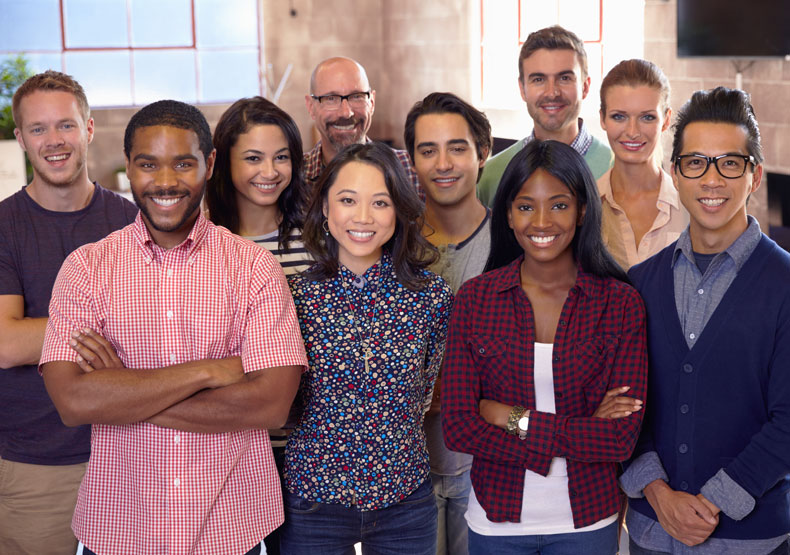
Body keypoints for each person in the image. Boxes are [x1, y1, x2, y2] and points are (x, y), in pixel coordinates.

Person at [40, 99, 307, 555]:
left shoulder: (254, 268)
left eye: (183, 164)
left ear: (209, 164)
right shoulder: (85, 269)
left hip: (231, 528)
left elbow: (270, 405)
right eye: (148, 164)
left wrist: (119, 393)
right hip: (118, 529)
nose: (165, 182)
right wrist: (205, 372)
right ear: (128, 166)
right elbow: (73, 401)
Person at [442, 140, 647, 554]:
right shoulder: (475, 300)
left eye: (558, 205)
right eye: (525, 206)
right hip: (496, 519)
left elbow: (619, 439)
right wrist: (579, 431)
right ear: (508, 215)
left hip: (589, 520)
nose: (541, 221)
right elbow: (459, 427)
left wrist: (509, 417)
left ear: (583, 210)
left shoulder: (620, 303)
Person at [621, 87, 790, 554]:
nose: (711, 179)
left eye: (729, 163)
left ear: (754, 176)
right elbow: (623, 405)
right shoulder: (639, 283)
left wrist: (710, 503)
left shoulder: (784, 284)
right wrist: (658, 494)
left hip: (750, 539)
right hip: (652, 533)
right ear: (675, 173)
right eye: (695, 162)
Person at [281, 142, 453, 555]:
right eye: (347, 200)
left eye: (380, 202)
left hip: (404, 498)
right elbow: (286, 400)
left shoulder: (431, 297)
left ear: (399, 211)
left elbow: (427, 393)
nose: (362, 217)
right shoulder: (294, 297)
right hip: (313, 499)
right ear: (325, 207)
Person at [0, 70, 137, 555]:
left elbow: (156, 332)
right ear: (20, 138)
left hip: (130, 453)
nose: (53, 141)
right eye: (38, 129)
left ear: (89, 128)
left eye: (65, 125)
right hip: (38, 464)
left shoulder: (131, 222)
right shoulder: (4, 226)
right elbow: (7, 344)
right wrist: (104, 322)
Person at [205, 95, 312, 555]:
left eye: (281, 157)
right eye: (253, 158)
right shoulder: (202, 246)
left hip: (309, 447)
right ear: (223, 161)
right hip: (231, 447)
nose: (269, 171)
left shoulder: (322, 240)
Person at [404, 91, 492, 555]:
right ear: (412, 161)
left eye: (457, 147)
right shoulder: (392, 248)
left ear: (484, 152)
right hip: (407, 473)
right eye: (427, 150)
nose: (443, 163)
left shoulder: (517, 245)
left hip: (490, 467)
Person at [476, 25, 613, 207]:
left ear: (585, 87)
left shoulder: (617, 169)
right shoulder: (490, 177)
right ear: (522, 89)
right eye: (538, 79)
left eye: (564, 78)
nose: (552, 92)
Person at [598, 59, 687, 270]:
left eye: (647, 117)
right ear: (602, 118)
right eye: (619, 116)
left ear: (666, 120)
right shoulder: (585, 205)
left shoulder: (690, 205)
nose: (632, 131)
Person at [304, 56, 420, 192]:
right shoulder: (293, 177)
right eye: (331, 99)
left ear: (371, 102)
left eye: (356, 97)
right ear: (311, 107)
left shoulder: (410, 170)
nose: (346, 113)